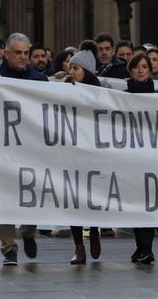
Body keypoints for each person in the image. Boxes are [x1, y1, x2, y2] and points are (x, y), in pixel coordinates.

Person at [0, 33, 49, 265]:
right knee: (3, 197)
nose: (24, 57)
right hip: (3, 150)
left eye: (26, 53)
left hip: (31, 150)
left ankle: (28, 232)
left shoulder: (39, 80)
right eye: (18, 53)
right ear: (6, 53)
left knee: (30, 194)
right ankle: (8, 248)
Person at [61, 50, 104, 265]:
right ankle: (79, 246)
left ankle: (94, 230)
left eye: (75, 68)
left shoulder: (102, 93)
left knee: (91, 196)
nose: (71, 72)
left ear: (86, 71)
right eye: (70, 68)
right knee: (74, 199)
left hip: (93, 153)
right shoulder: (65, 89)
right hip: (71, 152)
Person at [126, 53, 158, 264]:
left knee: (149, 203)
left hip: (153, 157)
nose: (140, 70)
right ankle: (140, 247)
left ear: (150, 70)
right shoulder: (122, 95)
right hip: (130, 157)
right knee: (136, 202)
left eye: (144, 66)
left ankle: (147, 248)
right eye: (137, 66)